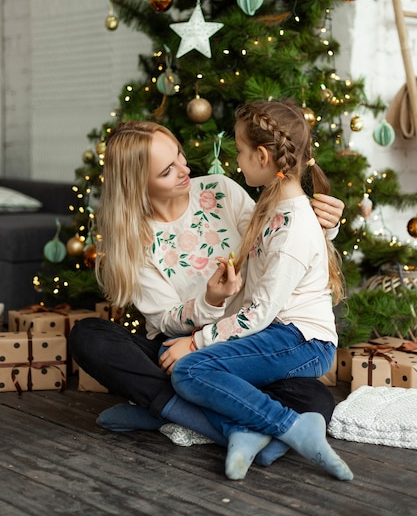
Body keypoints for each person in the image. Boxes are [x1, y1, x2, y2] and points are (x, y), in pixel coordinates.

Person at [69, 119, 344, 466]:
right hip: (180, 350)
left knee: (316, 398)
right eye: (168, 170)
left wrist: (325, 227)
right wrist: (209, 302)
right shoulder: (132, 241)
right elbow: (166, 322)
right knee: (88, 336)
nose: (185, 170)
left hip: (248, 343)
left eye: (180, 156)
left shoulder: (219, 190)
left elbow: (278, 243)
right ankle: (222, 425)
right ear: (139, 184)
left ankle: (171, 413)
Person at [168, 99, 353, 481]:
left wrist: (200, 341)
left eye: (239, 150)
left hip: (303, 341)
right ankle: (247, 430)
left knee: (189, 370)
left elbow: (259, 313)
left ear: (264, 155)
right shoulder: (272, 206)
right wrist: (208, 322)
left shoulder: (293, 228)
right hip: (276, 332)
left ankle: (288, 426)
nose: (237, 160)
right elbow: (253, 302)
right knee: (181, 358)